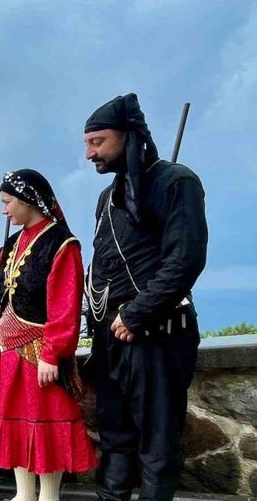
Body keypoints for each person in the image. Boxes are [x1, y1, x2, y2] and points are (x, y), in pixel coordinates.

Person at [84, 94, 207, 501]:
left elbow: (184, 260)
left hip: (156, 335)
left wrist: (136, 315)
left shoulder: (175, 182)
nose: (90, 154)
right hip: (111, 338)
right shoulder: (107, 198)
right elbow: (101, 267)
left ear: (128, 136)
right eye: (88, 143)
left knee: (157, 443)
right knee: (115, 434)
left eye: (98, 142)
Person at [0, 169, 97, 501]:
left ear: (28, 199)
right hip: (6, 351)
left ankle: (48, 496)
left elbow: (65, 304)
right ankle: (23, 494)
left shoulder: (62, 243)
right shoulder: (12, 244)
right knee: (16, 423)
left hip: (38, 354)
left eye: (7, 202)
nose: (4, 210)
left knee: (45, 424)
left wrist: (52, 354)